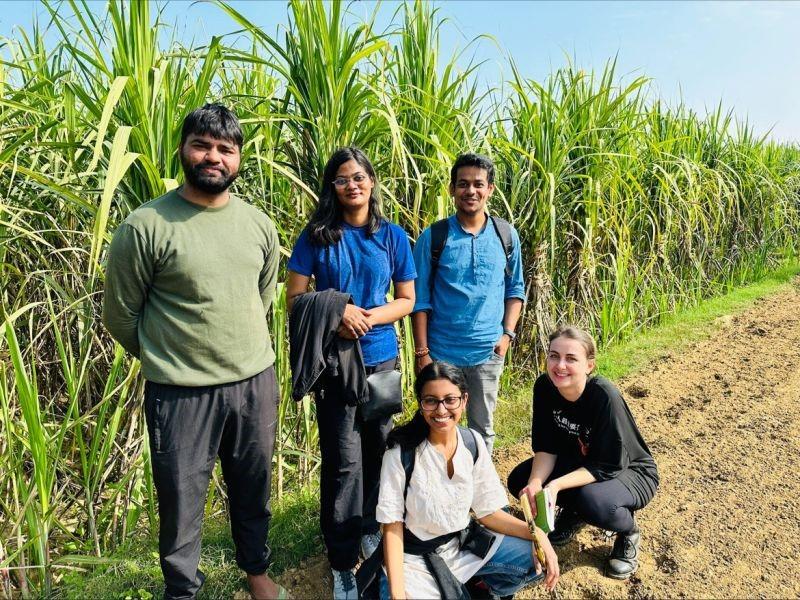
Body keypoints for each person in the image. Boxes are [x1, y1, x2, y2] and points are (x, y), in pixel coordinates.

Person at [103, 104, 285, 599]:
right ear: (183, 150)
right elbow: (121, 314)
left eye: (226, 149)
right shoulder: (146, 226)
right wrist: (172, 356)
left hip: (254, 384)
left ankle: (257, 572)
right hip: (180, 394)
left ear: (238, 159)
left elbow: (261, 296)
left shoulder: (258, 225)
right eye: (202, 146)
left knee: (253, 489)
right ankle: (182, 592)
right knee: (181, 505)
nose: (214, 157)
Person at [285, 147, 416, 600]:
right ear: (332, 188)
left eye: (359, 176)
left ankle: (370, 530)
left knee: (379, 450)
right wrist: (337, 313)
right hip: (334, 362)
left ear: (372, 181)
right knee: (343, 462)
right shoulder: (317, 236)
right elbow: (296, 300)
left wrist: (367, 318)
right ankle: (341, 561)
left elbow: (406, 299)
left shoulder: (392, 236)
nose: (352, 185)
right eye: (342, 179)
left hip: (380, 358)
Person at [370, 361, 559, 599]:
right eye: (431, 401)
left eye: (450, 399)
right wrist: (398, 594)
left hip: (462, 546)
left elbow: (488, 512)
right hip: (413, 560)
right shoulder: (401, 454)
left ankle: (483, 589)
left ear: (464, 400)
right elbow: (392, 527)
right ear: (420, 404)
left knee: (536, 556)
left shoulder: (472, 443)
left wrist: (537, 534)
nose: (441, 410)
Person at [507, 326, 659, 580]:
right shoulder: (545, 387)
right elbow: (547, 447)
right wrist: (536, 483)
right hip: (580, 461)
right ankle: (575, 513)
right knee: (520, 481)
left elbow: (608, 464)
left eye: (571, 358)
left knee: (595, 502)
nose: (560, 365)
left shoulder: (602, 395)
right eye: (554, 356)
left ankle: (628, 532)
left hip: (629, 469)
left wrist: (556, 485)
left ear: (589, 365)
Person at [411, 153, 525, 455]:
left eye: (478, 184)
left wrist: (506, 336)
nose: (470, 191)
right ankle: (438, 490)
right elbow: (419, 300)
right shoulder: (434, 237)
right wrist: (422, 353)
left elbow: (515, 290)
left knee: (482, 429)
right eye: (463, 184)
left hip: (487, 353)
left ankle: (477, 492)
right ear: (452, 189)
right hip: (442, 352)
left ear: (490, 189)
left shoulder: (505, 235)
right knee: (438, 423)